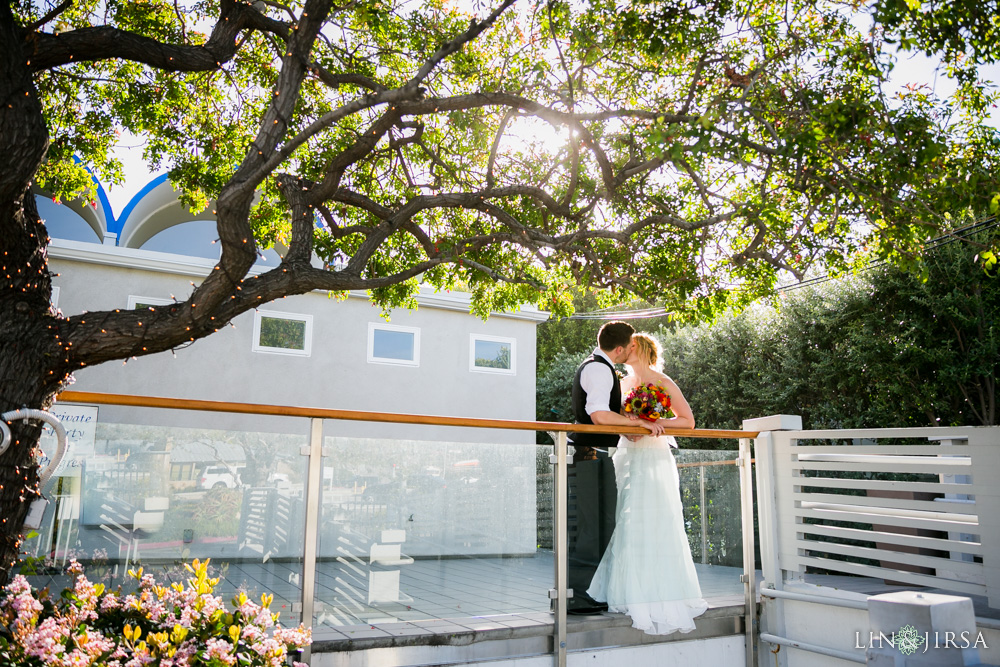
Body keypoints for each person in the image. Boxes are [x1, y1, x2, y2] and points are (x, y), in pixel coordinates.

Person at [587, 332, 709, 634]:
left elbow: (687, 421)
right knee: (626, 519)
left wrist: (655, 424)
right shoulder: (621, 383)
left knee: (656, 519)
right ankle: (628, 591)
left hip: (654, 456)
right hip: (628, 454)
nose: (625, 350)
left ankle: (659, 591)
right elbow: (611, 417)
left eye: (630, 346)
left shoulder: (663, 380)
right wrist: (628, 428)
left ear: (638, 348)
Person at [566, 322, 666, 614]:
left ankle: (587, 592)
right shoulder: (599, 368)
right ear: (620, 348)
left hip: (593, 454)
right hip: (588, 455)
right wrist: (638, 423)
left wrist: (626, 427)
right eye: (630, 347)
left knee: (599, 524)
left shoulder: (600, 365)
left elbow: (604, 413)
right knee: (592, 526)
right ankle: (578, 596)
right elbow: (598, 415)